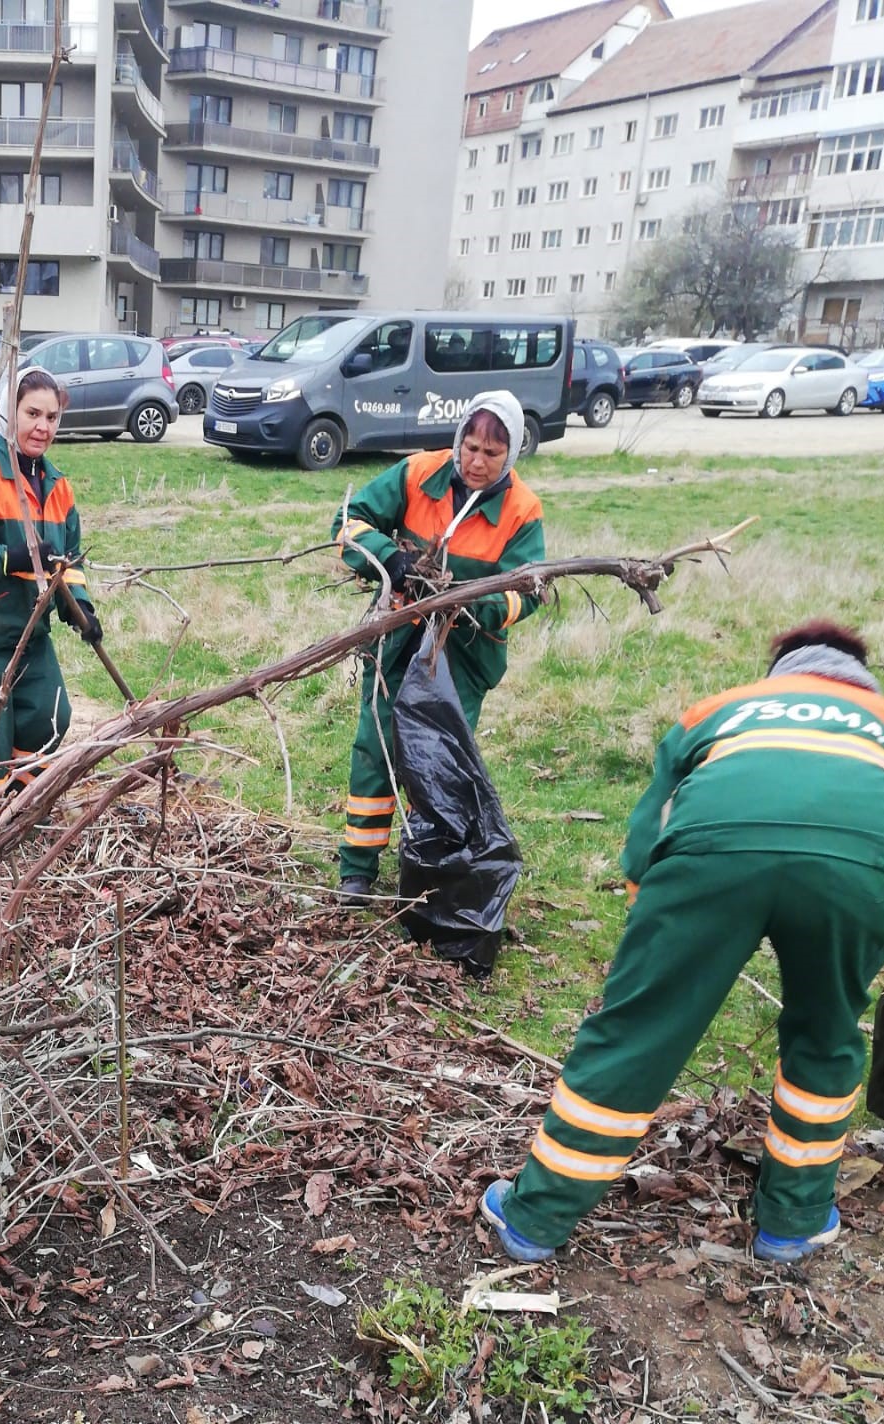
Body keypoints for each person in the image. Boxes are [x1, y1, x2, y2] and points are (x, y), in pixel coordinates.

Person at [482, 622, 884, 1266]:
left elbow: (651, 823)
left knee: (636, 1033)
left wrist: (658, 928)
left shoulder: (722, 708)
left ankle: (535, 1219)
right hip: (860, 869)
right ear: (859, 674)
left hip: (712, 854)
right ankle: (793, 1222)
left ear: (781, 669)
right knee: (826, 1035)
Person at [330, 391, 545, 903]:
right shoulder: (416, 475)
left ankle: (426, 864)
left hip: (464, 656)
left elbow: (527, 590)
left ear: (511, 453)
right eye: (470, 447)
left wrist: (474, 604)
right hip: (399, 636)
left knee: (438, 759)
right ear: (458, 441)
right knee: (376, 746)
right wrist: (389, 557)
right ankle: (357, 868)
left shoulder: (522, 510)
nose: (476, 461)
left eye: (492, 454)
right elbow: (347, 522)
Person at [0, 367, 102, 819]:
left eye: (52, 417)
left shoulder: (57, 486)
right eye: (32, 414)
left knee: (50, 721)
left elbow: (71, 560)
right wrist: (13, 558)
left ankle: (19, 816)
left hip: (30, 635)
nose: (43, 427)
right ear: (10, 412)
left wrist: (80, 605)